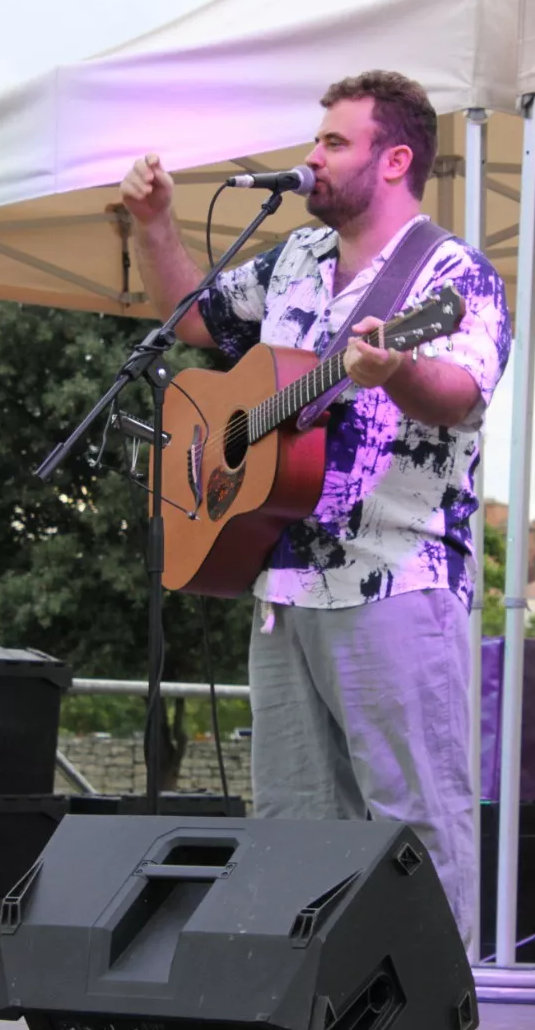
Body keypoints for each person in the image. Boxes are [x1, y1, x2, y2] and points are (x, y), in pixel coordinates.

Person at [119, 70, 511, 949]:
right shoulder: (294, 259)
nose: (312, 156)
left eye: (335, 142)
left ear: (396, 158)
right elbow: (193, 320)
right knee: (295, 830)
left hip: (396, 579)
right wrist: (154, 226)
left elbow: (461, 392)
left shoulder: (453, 276)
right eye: (318, 138)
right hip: (283, 584)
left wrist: (396, 370)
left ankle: (433, 1006)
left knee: (412, 821)